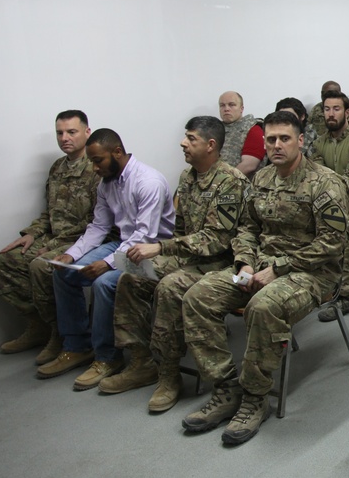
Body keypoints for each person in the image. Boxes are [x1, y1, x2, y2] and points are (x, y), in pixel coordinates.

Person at [180, 111, 349, 445]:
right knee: (198, 296)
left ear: (300, 140)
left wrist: (281, 267)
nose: (275, 145)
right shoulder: (261, 179)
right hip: (258, 267)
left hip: (310, 272)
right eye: (270, 139)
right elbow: (247, 228)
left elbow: (332, 243)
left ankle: (256, 398)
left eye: (284, 138)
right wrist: (244, 262)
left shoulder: (325, 182)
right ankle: (226, 388)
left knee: (263, 306)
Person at [102, 116, 248, 412]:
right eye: (185, 137)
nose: (183, 143)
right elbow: (182, 229)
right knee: (130, 277)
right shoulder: (188, 177)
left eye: (190, 138)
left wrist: (162, 247)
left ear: (210, 145)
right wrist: (164, 254)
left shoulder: (230, 181)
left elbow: (216, 240)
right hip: (189, 257)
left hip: (220, 263)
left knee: (170, 287)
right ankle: (142, 362)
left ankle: (169, 374)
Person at [39, 129, 174, 389]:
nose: (94, 167)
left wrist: (107, 263)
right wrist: (72, 254)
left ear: (117, 152)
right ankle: (77, 346)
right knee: (64, 272)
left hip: (153, 250)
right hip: (123, 243)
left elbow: (145, 236)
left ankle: (107, 357)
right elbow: (99, 227)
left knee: (105, 283)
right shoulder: (106, 183)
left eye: (97, 160)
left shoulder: (148, 181)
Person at [0, 110, 99, 361]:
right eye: (59, 133)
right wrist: (32, 233)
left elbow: (99, 223)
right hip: (54, 236)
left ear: (87, 132)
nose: (65, 138)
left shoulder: (96, 169)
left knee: (41, 266)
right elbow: (51, 211)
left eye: (71, 132)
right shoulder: (58, 168)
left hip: (82, 240)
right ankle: (40, 326)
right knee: (6, 261)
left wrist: (53, 244)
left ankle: (62, 334)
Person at [312, 90, 349, 320]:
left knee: (345, 226)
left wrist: (326, 192)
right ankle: (321, 286)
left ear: (347, 112)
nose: (330, 113)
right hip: (328, 200)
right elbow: (314, 176)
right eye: (327, 109)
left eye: (336, 109)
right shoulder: (319, 143)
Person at [218, 90, 264, 177]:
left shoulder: (253, 129)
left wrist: (222, 182)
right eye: (222, 105)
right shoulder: (214, 130)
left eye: (232, 105)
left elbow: (249, 165)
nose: (226, 109)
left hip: (238, 186)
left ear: (241, 109)